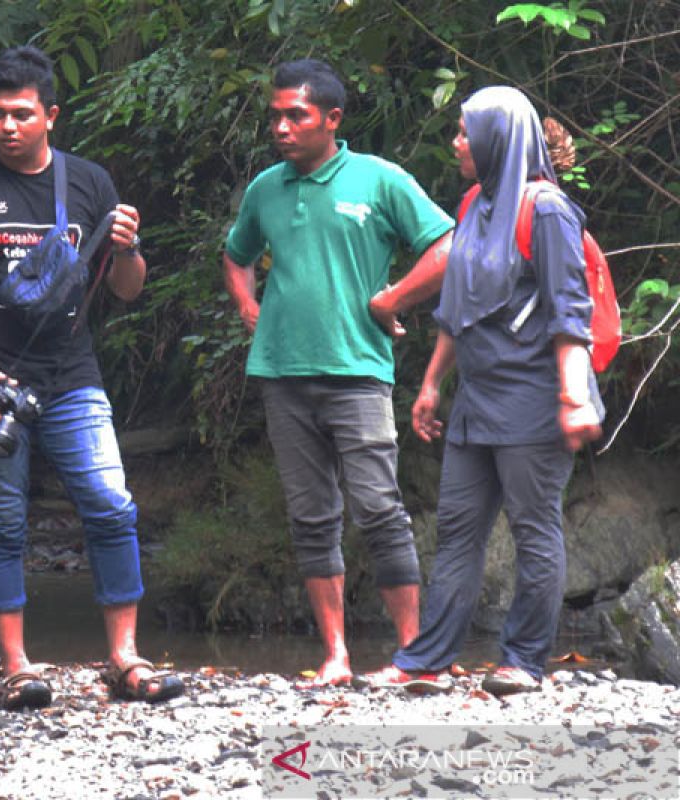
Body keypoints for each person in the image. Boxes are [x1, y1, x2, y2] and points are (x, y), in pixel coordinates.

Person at [0, 45, 183, 709]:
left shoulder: (89, 183)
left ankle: (124, 657)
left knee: (109, 502)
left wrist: (130, 248)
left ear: (51, 116)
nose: (8, 127)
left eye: (22, 115)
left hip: (70, 373)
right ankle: (16, 665)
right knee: (3, 519)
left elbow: (126, 290)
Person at [357, 86, 603, 696]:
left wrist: (574, 397)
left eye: (466, 131)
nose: (457, 142)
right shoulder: (474, 202)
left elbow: (570, 311)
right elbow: (459, 306)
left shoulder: (545, 211)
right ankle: (426, 660)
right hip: (476, 400)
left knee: (533, 529)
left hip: (534, 400)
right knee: (459, 531)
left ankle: (522, 661)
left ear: (498, 138)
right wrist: (432, 384)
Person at [222, 59, 455, 687]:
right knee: (311, 516)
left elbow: (446, 245)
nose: (281, 126)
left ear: (332, 118)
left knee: (379, 508)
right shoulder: (265, 188)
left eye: (294, 115)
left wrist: (392, 299)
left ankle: (415, 656)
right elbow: (237, 252)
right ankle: (336, 656)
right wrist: (247, 303)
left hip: (358, 372)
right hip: (282, 373)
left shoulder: (379, 180)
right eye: (274, 115)